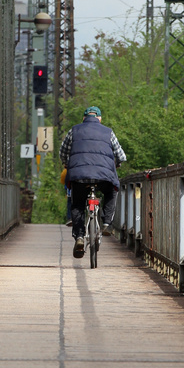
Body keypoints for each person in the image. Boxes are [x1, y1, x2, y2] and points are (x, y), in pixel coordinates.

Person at [59, 106, 127, 259]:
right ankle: (107, 223)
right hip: (104, 176)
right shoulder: (108, 132)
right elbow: (121, 156)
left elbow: (63, 152)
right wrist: (117, 164)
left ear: (84, 118)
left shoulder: (74, 130)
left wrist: (66, 164)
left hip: (79, 176)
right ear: (100, 119)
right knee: (111, 191)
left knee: (77, 203)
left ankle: (80, 237)